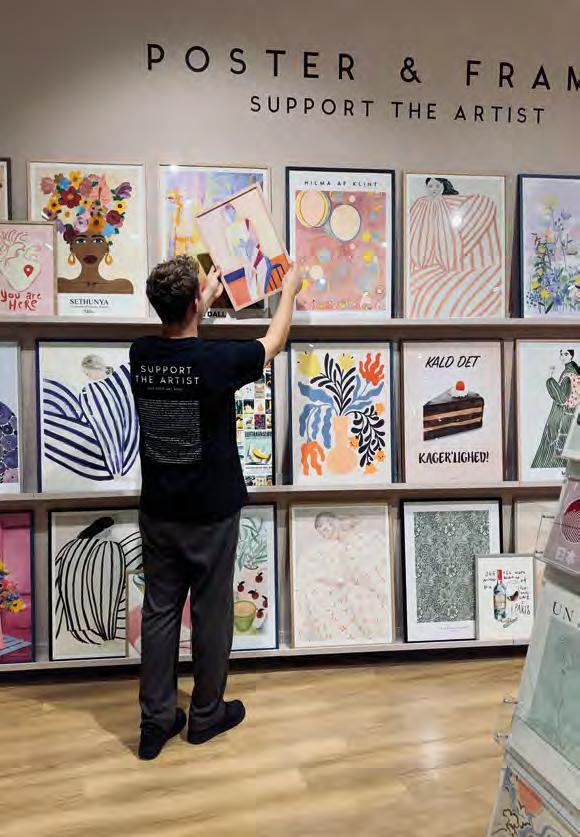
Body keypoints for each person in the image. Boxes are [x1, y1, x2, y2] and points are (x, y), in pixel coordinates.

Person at [130, 254, 302, 760]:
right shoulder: (215, 362)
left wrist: (200, 298)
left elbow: (180, 333)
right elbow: (274, 342)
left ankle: (155, 723)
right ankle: (205, 715)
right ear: (192, 305)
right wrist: (289, 290)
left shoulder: (141, 354)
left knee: (160, 611)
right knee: (210, 612)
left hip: (159, 510)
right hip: (211, 512)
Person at [408, 175, 503, 319]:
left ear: (443, 186)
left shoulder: (467, 203)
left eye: (437, 186)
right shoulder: (419, 205)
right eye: (430, 186)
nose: (434, 189)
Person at [532, 348, 580, 469]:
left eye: (566, 354)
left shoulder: (569, 374)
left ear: (571, 356)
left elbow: (562, 399)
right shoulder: (574, 371)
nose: (562, 357)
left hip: (562, 417)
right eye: (561, 354)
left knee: (553, 451)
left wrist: (550, 378)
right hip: (570, 416)